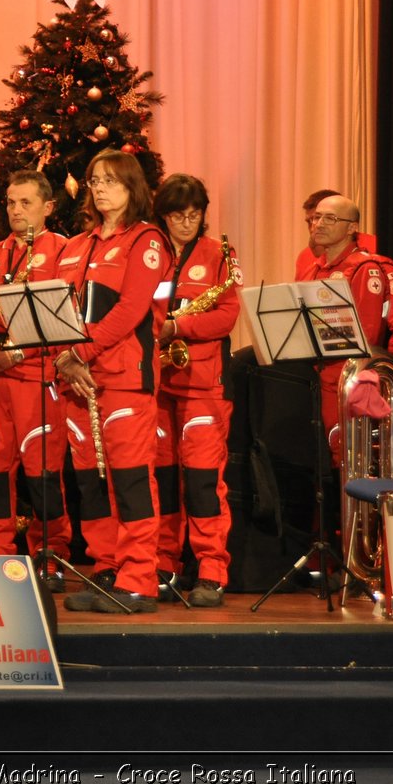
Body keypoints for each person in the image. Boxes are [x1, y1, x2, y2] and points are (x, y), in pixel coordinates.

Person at [55, 149, 171, 615]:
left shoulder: (147, 240)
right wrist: (66, 362)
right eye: (94, 180)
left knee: (130, 481)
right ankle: (107, 570)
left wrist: (80, 352)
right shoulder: (77, 244)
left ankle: (139, 579)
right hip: (78, 381)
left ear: (132, 187)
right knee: (91, 484)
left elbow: (131, 310)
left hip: (124, 379)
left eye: (110, 181)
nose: (100, 188)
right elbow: (57, 311)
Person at [0, 171, 70, 583]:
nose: (16, 210)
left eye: (25, 203)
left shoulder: (64, 250)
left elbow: (64, 319)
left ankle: (52, 553)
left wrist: (19, 352)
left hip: (37, 378)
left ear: (47, 207)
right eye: (10, 202)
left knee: (42, 475)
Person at [150, 174, 241, 608]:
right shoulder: (149, 252)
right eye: (177, 215)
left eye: (194, 214)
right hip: (155, 382)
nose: (187, 223)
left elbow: (226, 316)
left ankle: (211, 569)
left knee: (204, 482)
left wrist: (177, 325)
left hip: (203, 385)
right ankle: (164, 565)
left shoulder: (217, 254)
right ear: (163, 214)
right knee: (164, 481)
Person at [296, 193, 393, 463]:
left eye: (330, 218)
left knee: (344, 457)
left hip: (345, 379)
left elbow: (366, 335)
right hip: (315, 377)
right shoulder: (313, 269)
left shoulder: (365, 268)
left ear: (352, 227)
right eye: (316, 217)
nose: (318, 224)